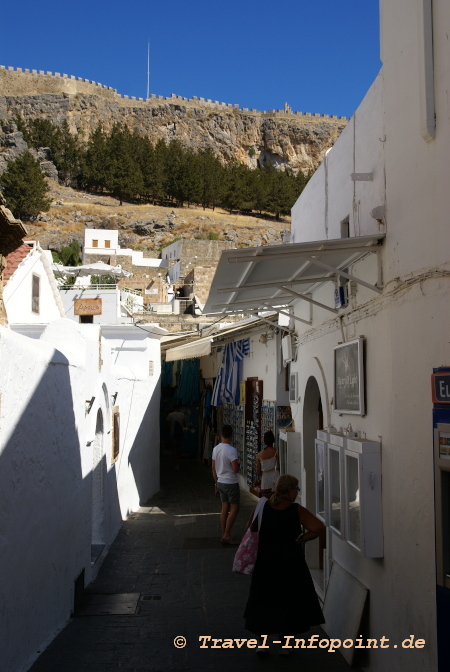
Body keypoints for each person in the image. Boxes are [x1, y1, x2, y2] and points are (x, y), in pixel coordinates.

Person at [243, 474, 325, 650]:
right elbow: (318, 527)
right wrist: (302, 538)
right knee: (287, 602)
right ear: (290, 490)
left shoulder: (263, 505)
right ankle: (285, 644)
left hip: (265, 561)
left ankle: (262, 643)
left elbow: (250, 528)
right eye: (297, 489)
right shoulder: (296, 510)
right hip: (290, 562)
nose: (297, 493)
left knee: (264, 600)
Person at [212, 425, 240, 545]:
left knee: (224, 508)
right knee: (234, 508)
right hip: (231, 482)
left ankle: (224, 533)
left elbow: (213, 468)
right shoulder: (231, 450)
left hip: (220, 481)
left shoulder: (216, 449)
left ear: (221, 435)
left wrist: (216, 482)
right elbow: (235, 469)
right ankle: (227, 535)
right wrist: (238, 465)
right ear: (231, 435)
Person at [256, 430, 279, 498]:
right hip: (275, 477)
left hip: (265, 479)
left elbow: (258, 471)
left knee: (267, 500)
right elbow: (280, 465)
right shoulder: (276, 452)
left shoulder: (259, 455)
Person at [167, 405, 185, 471]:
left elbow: (168, 424)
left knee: (174, 449)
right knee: (178, 448)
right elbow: (184, 424)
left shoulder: (170, 415)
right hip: (180, 433)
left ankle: (176, 463)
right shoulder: (182, 415)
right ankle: (178, 461)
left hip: (173, 434)